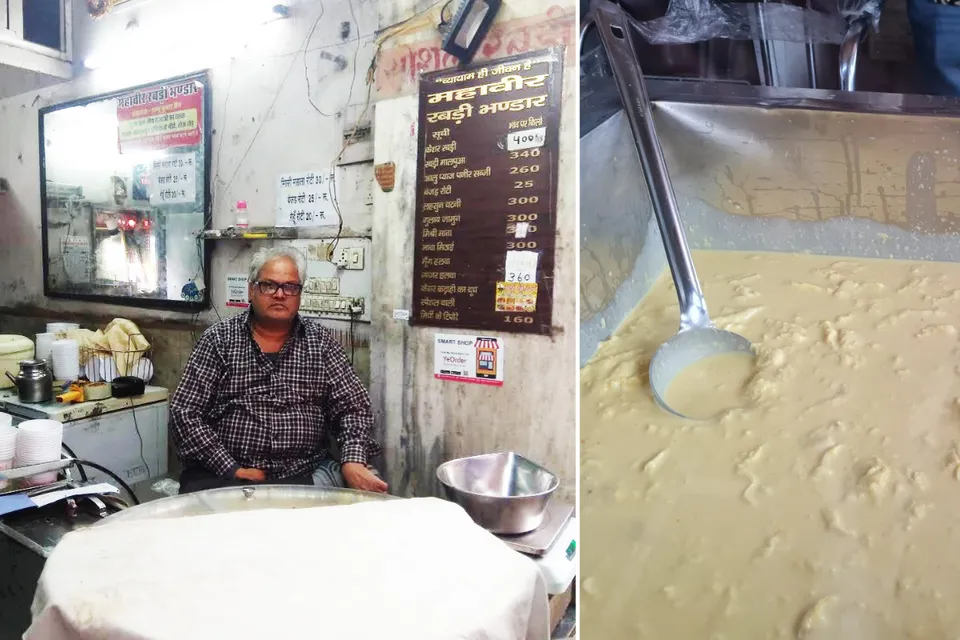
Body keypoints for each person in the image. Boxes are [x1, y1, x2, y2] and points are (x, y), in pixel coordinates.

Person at [169, 246, 388, 495]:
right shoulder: (219, 340)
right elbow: (185, 413)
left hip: (303, 474)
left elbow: (353, 408)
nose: (280, 294)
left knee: (367, 492)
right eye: (269, 285)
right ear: (252, 290)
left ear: (299, 294)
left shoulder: (321, 343)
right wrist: (230, 467)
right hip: (227, 474)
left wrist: (352, 459)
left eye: (290, 287)